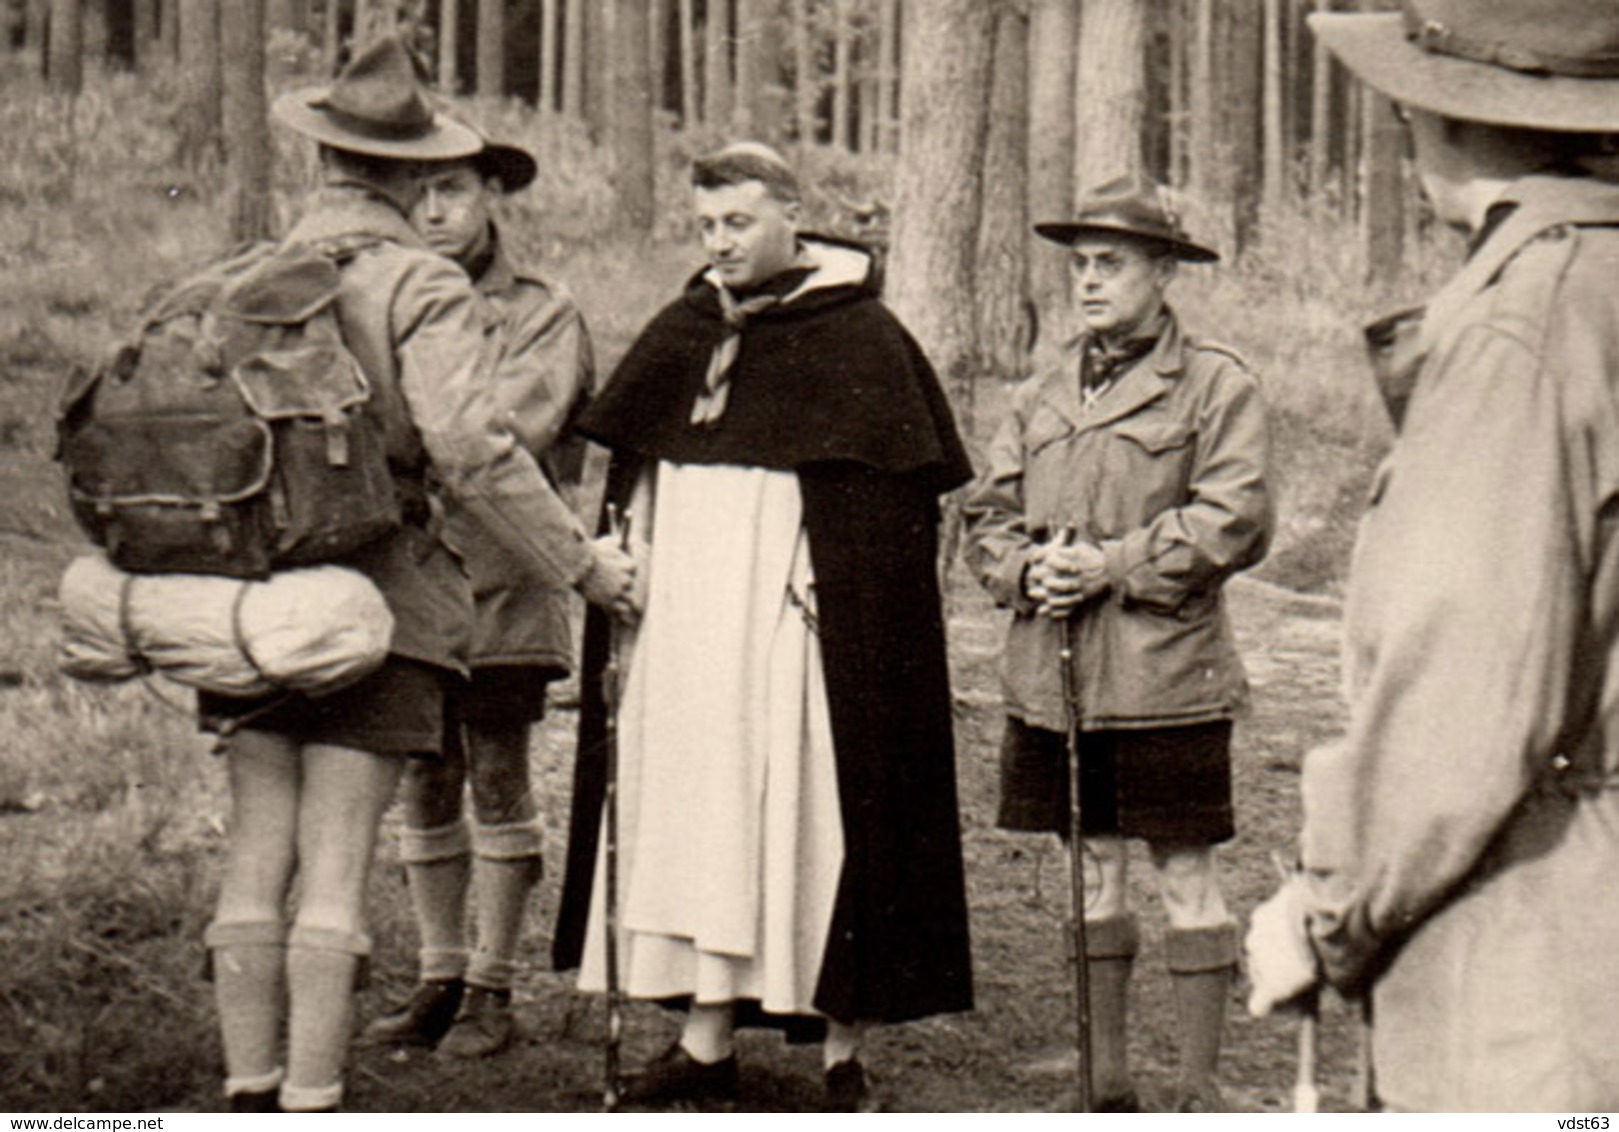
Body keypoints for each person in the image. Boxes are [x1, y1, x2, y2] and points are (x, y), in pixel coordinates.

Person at [199, 37, 635, 1113]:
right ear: (402, 173)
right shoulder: (419, 285)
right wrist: (584, 566)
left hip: (252, 605)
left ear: (321, 163)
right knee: (342, 859)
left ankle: (244, 1086)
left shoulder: (243, 275)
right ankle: (308, 1094)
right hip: (383, 600)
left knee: (258, 852)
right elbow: (476, 450)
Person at [1244, 0, 1619, 1112]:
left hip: (1538, 944)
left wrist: (1328, 909)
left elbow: (1465, 687)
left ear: (1432, 117)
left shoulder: (1530, 318)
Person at [551, 142, 974, 1112]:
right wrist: (629, 567)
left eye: (737, 222)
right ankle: (704, 1041)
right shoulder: (689, 325)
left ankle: (839, 1052)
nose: (719, 244)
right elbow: (640, 475)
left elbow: (889, 524)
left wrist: (828, 606)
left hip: (800, 639)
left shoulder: (863, 338)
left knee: (814, 819)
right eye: (705, 226)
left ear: (792, 213)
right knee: (699, 820)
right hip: (689, 633)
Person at [962, 174, 1272, 1113]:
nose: (1089, 283)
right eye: (1080, 266)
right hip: (1054, 678)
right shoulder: (1043, 387)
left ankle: (1198, 1090)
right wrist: (1023, 572)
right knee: (1090, 863)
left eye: (1112, 264)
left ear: (1164, 271)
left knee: (1184, 870)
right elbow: (987, 513)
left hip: (1165, 675)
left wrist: (1111, 564)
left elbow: (1235, 518)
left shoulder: (1216, 384)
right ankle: (1104, 1089)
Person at [360, 136, 595, 1058]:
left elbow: (505, 433)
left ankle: (493, 986)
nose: (432, 212)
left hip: (503, 581)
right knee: (424, 772)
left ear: (493, 196)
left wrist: (411, 435)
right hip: (409, 583)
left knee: (497, 769)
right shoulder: (382, 301)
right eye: (416, 192)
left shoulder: (540, 313)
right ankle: (439, 972)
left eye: (452, 189)